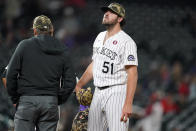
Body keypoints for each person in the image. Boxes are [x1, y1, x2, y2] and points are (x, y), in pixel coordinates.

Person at [75, 2, 138, 131]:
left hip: (116, 92)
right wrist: (79, 84)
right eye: (106, 11)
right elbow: (95, 64)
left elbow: (132, 73)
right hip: (98, 91)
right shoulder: (99, 37)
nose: (106, 13)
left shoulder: (127, 41)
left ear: (120, 19)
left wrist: (128, 103)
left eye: (111, 12)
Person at [6, 15, 76, 131]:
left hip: (27, 100)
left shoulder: (24, 45)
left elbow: (10, 75)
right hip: (50, 102)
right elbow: (70, 81)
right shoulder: (62, 49)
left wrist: (15, 98)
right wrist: (57, 99)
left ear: (34, 31)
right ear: (51, 31)